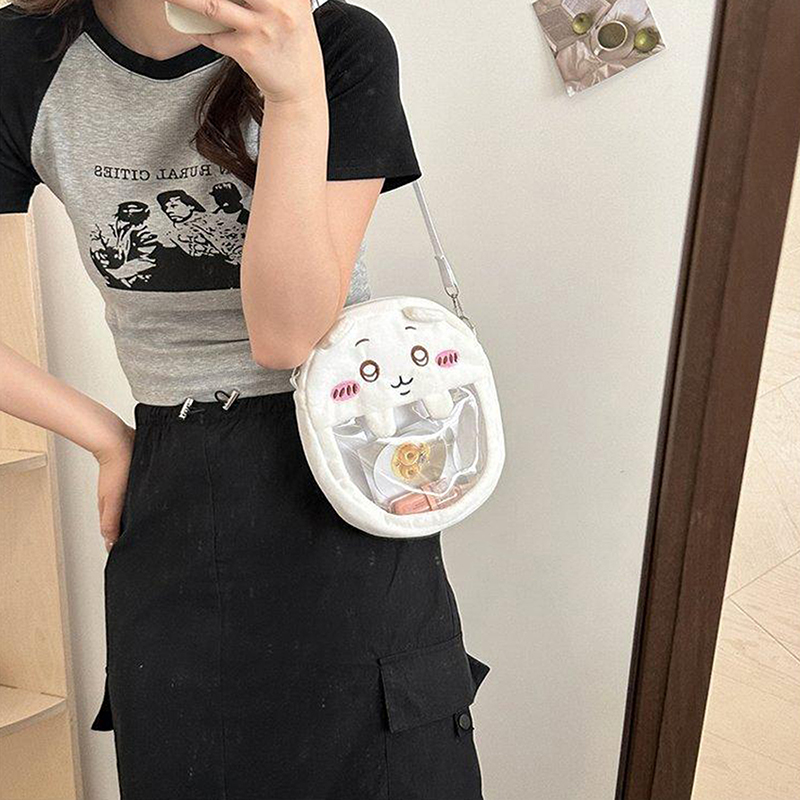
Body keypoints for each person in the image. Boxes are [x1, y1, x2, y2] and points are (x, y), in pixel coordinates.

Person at [0, 1, 490, 798]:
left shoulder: (336, 42)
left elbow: (288, 337)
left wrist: (294, 95)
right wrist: (103, 436)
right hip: (177, 486)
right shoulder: (27, 54)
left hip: (346, 459)